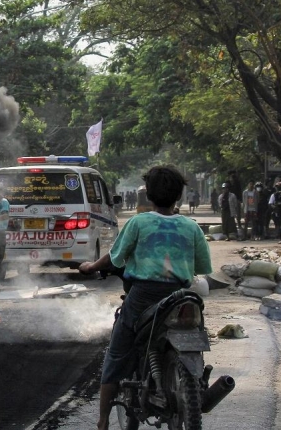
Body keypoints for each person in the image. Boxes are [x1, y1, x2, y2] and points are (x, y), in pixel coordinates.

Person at [78, 165, 212, 430]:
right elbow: (202, 268)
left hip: (142, 298)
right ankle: (196, 381)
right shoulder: (191, 227)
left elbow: (116, 257)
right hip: (181, 297)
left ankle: (103, 420)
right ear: (179, 196)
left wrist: (91, 267)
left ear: (148, 196)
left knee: (116, 353)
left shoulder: (139, 223)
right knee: (197, 328)